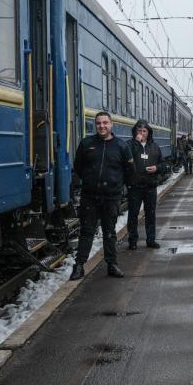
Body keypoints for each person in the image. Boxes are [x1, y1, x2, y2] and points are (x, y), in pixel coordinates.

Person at [70, 111, 133, 280]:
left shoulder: (121, 146)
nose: (102, 126)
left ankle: (112, 264)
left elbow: (128, 171)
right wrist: (90, 181)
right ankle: (79, 266)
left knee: (109, 232)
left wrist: (116, 185)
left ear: (111, 124)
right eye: (98, 123)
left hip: (111, 197)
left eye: (105, 123)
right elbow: (78, 167)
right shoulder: (86, 144)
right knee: (87, 231)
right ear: (95, 125)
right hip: (89, 196)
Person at [126, 119, 165, 251]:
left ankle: (151, 240)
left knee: (151, 214)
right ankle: (132, 240)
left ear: (148, 132)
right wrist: (137, 143)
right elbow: (125, 160)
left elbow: (163, 164)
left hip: (150, 185)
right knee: (133, 214)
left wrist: (157, 168)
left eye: (144, 131)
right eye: (139, 131)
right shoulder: (129, 145)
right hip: (135, 186)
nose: (141, 133)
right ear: (135, 132)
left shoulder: (154, 147)